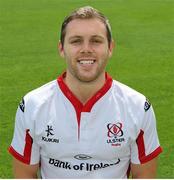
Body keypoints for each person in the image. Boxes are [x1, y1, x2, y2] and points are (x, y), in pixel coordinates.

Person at [8, 6, 162, 178]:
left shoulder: (138, 107)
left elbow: (145, 176)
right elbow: (24, 175)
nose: (86, 49)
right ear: (61, 48)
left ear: (110, 48)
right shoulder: (32, 105)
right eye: (76, 41)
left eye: (96, 41)